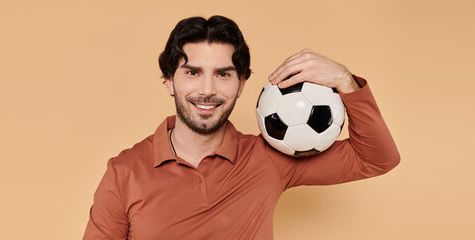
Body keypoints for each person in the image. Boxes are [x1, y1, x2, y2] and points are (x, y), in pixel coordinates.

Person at [82, 15, 400, 240]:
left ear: (241, 83)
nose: (207, 89)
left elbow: (376, 159)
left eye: (223, 74)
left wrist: (345, 81)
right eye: (192, 73)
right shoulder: (124, 172)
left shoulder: (269, 159)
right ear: (169, 80)